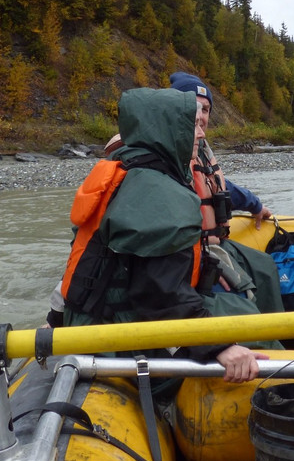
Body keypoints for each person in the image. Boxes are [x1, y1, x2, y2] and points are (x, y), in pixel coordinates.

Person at [60, 87, 266, 384]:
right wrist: (220, 346)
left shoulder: (128, 171)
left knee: (238, 299)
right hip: (121, 344)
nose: (199, 134)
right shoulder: (158, 195)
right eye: (190, 125)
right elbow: (159, 294)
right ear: (168, 131)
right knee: (253, 326)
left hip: (94, 324)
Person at [168, 71, 284, 314]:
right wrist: (201, 263)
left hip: (210, 246)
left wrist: (256, 205)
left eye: (206, 109)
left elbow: (220, 187)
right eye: (192, 107)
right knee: (241, 297)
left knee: (265, 267)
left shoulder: (199, 152)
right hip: (184, 262)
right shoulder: (163, 157)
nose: (200, 116)